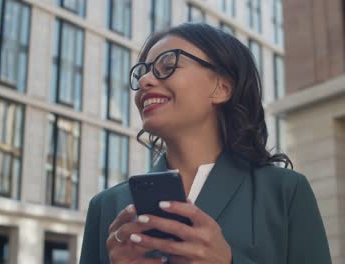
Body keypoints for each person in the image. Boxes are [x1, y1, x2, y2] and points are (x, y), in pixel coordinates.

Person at [79, 23, 331, 264]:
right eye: (142, 72)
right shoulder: (106, 207)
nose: (145, 80)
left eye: (168, 65)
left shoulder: (284, 191)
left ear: (221, 88)